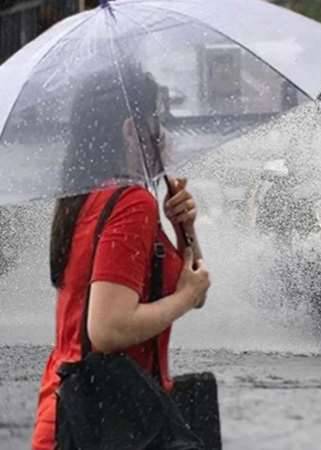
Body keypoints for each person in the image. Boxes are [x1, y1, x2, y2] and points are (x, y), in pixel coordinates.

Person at [31, 66, 211, 450]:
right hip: (110, 423)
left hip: (75, 413)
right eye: (159, 119)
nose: (167, 132)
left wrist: (183, 230)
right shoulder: (131, 204)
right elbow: (108, 328)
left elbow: (197, 286)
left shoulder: (84, 197)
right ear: (133, 130)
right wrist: (184, 299)